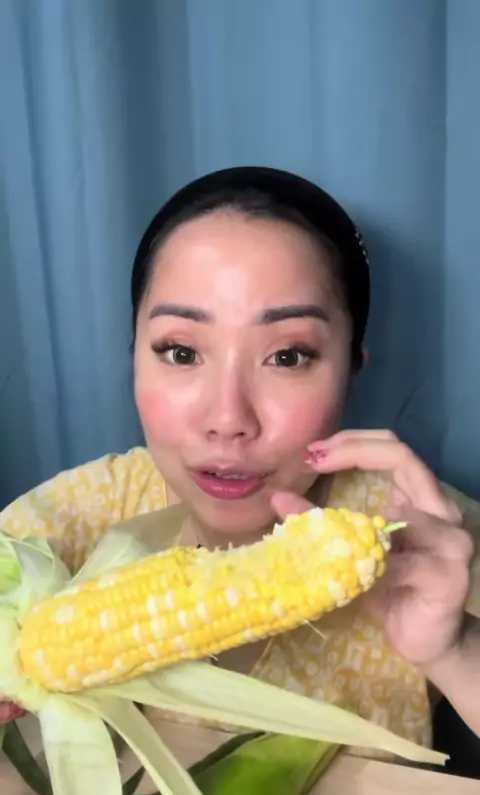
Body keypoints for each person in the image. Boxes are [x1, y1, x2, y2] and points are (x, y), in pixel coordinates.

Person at [0, 166, 479, 757]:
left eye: (288, 356)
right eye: (181, 352)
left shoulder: (427, 535)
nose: (227, 418)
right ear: (134, 357)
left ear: (352, 369)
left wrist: (455, 649)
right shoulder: (70, 522)